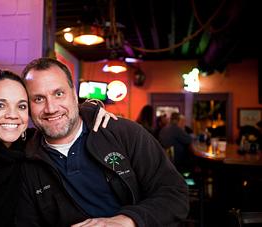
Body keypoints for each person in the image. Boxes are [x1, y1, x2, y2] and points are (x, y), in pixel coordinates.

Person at [0, 70, 114, 227]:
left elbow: (52, 126)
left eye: (21, 106)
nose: (12, 115)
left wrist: (90, 110)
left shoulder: (16, 142)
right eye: (0, 105)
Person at [15, 57, 189, 227]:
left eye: (59, 94)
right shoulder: (26, 160)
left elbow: (175, 194)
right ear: (28, 106)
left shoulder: (124, 133)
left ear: (74, 95)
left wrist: (127, 221)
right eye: (38, 99)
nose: (51, 108)